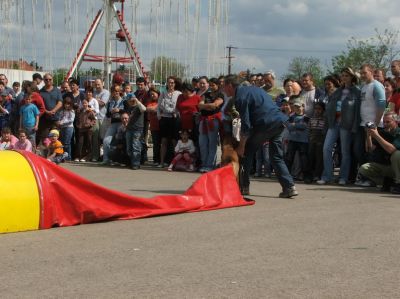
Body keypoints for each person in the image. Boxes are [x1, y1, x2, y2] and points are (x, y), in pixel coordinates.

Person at [223, 75, 298, 197]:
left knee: (246, 153)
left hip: (265, 124)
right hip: (279, 122)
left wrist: (241, 146)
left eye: (224, 87)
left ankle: (243, 188)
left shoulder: (240, 97)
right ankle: (289, 187)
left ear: (230, 85)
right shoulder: (256, 89)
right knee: (276, 157)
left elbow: (246, 125)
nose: (224, 90)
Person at [318, 67, 361, 185]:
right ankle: (327, 176)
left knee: (345, 151)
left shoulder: (357, 91)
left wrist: (354, 126)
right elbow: (328, 109)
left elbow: (357, 111)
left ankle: (343, 177)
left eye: (346, 75)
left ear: (352, 77)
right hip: (334, 123)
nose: (344, 78)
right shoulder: (337, 91)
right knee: (326, 149)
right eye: (342, 75)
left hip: (346, 125)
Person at [358, 112, 400, 194]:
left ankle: (398, 183)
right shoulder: (382, 133)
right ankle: (388, 181)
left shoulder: (398, 132)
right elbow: (369, 149)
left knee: (396, 154)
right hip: (387, 166)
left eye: (388, 122)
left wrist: (377, 135)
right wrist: (369, 134)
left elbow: (391, 150)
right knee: (364, 169)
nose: (385, 124)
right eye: (384, 122)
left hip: (397, 166)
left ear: (396, 122)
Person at [198, 78, 224, 172]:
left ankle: (210, 165)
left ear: (217, 85)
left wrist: (207, 105)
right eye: (211, 85)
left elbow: (216, 105)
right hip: (203, 120)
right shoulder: (205, 94)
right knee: (202, 143)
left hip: (213, 120)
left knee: (212, 143)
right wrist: (209, 106)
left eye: (214, 85)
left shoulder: (220, 95)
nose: (212, 87)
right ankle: (204, 163)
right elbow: (200, 105)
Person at [157, 76, 182, 167]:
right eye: (169, 82)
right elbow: (158, 106)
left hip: (174, 119)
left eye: (172, 82)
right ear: (167, 83)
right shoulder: (163, 93)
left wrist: (177, 113)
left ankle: (175, 163)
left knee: (174, 141)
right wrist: (159, 116)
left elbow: (180, 106)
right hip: (164, 119)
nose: (170, 84)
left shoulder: (179, 93)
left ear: (175, 84)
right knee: (164, 141)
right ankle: (162, 162)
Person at [285, 98, 311, 183]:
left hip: (303, 141)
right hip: (292, 140)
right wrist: (298, 125)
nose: (297, 108)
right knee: (289, 158)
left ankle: (306, 176)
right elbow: (289, 127)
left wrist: (294, 125)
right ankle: (286, 176)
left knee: (304, 159)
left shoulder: (306, 117)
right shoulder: (291, 116)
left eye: (298, 106)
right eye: (295, 107)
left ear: (303, 107)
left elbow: (304, 126)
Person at [102, 85, 125, 164]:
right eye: (114, 91)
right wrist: (111, 112)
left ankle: (120, 159)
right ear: (112, 92)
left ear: (120, 92)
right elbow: (108, 115)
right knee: (106, 141)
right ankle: (106, 159)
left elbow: (127, 111)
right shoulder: (110, 102)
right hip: (113, 123)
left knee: (119, 142)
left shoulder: (124, 101)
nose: (116, 92)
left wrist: (119, 110)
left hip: (122, 123)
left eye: (118, 91)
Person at [38, 73, 63, 145]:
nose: (48, 81)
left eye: (50, 79)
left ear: (52, 80)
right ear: (43, 80)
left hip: (55, 119)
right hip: (44, 120)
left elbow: (60, 102)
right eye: (46, 79)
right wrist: (47, 112)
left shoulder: (57, 91)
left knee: (56, 140)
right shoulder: (40, 92)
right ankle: (45, 155)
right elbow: (39, 105)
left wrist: (53, 110)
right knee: (45, 140)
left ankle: (56, 155)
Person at [125, 94, 147, 170]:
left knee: (136, 147)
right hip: (129, 129)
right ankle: (132, 162)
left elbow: (144, 109)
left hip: (138, 129)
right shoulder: (129, 108)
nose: (130, 102)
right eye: (128, 100)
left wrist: (137, 101)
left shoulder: (138, 106)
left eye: (131, 100)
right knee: (129, 148)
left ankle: (136, 164)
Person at [308, 101, 326, 181]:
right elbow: (309, 129)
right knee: (311, 157)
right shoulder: (312, 119)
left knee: (319, 158)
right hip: (312, 140)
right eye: (315, 109)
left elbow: (325, 131)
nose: (317, 111)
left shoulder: (325, 120)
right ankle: (310, 174)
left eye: (319, 109)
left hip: (321, 141)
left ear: (323, 110)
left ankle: (317, 175)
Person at [146, 88, 161, 165]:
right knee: (156, 144)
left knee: (164, 144)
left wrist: (155, 109)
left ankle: (163, 160)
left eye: (153, 94)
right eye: (151, 94)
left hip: (162, 125)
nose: (152, 95)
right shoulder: (150, 103)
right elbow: (148, 109)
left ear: (158, 93)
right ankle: (156, 160)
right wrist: (157, 109)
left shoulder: (162, 101)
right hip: (154, 126)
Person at [58, 95, 75, 160]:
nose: (66, 105)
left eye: (68, 104)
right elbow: (60, 117)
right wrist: (59, 122)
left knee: (67, 142)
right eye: (65, 104)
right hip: (62, 127)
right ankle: (63, 156)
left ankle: (68, 157)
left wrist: (63, 122)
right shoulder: (62, 111)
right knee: (62, 142)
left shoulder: (72, 111)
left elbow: (71, 120)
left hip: (69, 127)